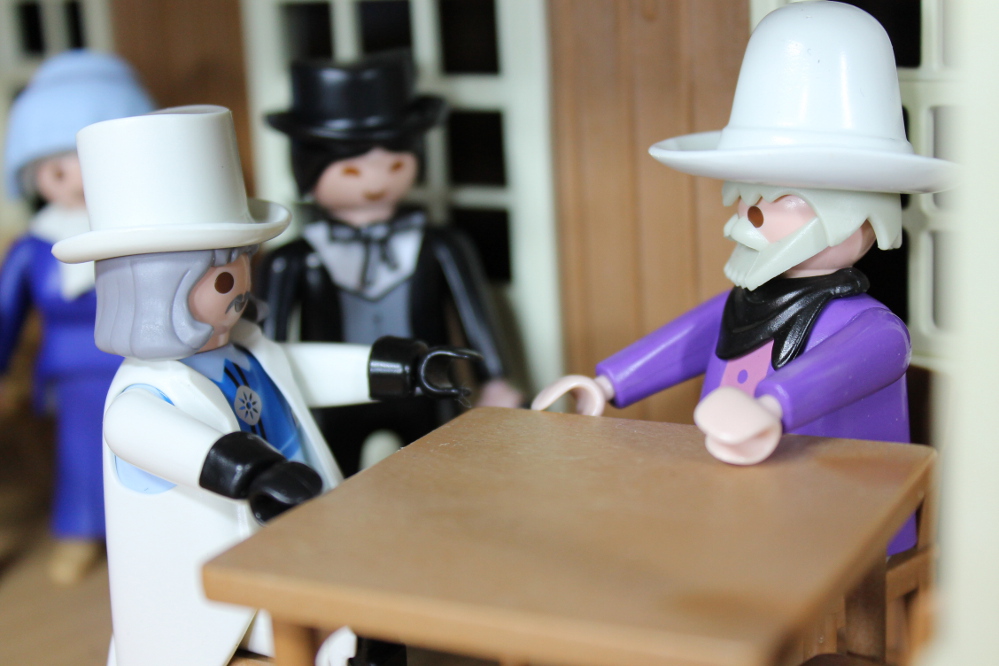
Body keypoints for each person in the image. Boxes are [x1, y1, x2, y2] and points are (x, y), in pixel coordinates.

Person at [52, 105, 476, 666]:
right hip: (213, 590)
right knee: (344, 635)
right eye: (223, 277)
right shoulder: (140, 394)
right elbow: (157, 437)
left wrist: (400, 367)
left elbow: (304, 368)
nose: (241, 289)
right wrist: (254, 472)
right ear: (159, 289)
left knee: (370, 625)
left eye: (243, 267)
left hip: (297, 538)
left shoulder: (249, 348)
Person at [533, 1, 955, 554]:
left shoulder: (875, 331)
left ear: (857, 222)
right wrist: (608, 385)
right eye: (745, 200)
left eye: (777, 202)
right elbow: (685, 340)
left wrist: (770, 407)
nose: (748, 219)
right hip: (737, 502)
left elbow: (828, 375)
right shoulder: (746, 301)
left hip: (843, 522)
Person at [258, 50, 520, 477]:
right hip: (333, 395)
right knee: (331, 478)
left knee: (442, 474)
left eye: (395, 164)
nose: (376, 182)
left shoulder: (441, 245)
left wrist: (494, 377)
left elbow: (475, 315)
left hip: (426, 388)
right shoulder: (293, 260)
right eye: (352, 171)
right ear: (306, 168)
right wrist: (269, 400)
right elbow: (269, 340)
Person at [0, 49, 154, 583]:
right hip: (75, 372)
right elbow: (7, 311)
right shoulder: (34, 245)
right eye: (59, 169)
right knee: (81, 454)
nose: (77, 182)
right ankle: (82, 529)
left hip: (141, 358)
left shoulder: (139, 232)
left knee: (151, 449)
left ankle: (151, 532)